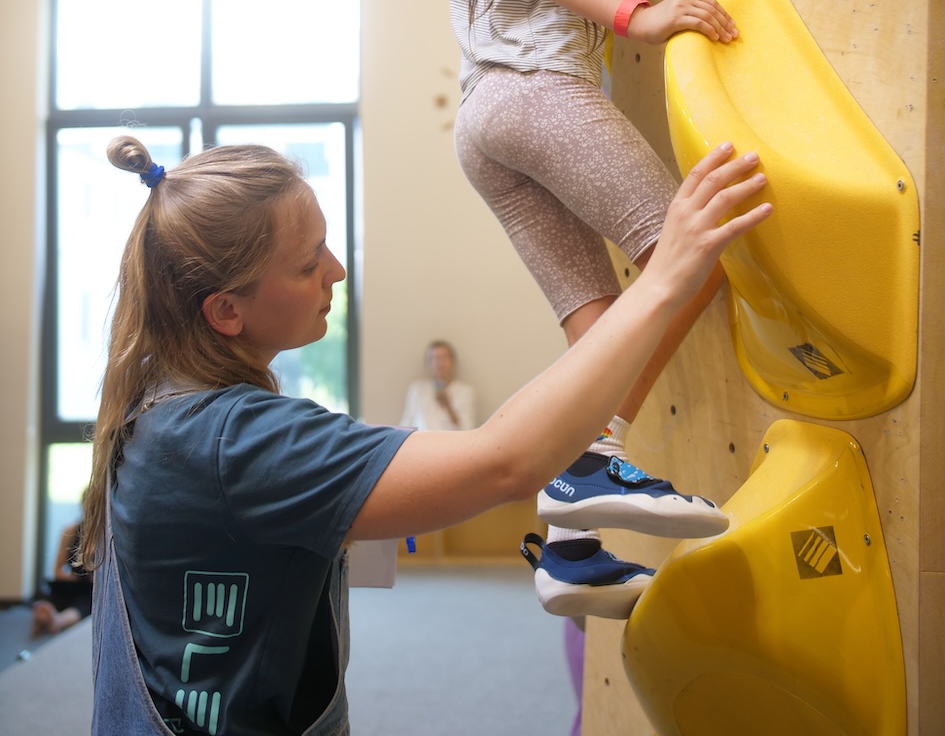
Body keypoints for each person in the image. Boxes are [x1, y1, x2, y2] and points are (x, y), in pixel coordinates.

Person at [82, 133, 769, 736]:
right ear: (226, 310)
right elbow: (505, 462)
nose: (336, 272)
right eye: (307, 263)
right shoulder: (233, 440)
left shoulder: (157, 403)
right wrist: (662, 280)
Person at [435, 0, 741, 615]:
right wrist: (639, 13)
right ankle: (581, 466)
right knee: (688, 262)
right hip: (538, 97)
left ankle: (568, 547)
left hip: (483, 122)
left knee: (596, 327)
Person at [31, 496, 93, 637]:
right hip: (70, 583)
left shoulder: (104, 532)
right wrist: (76, 578)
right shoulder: (71, 530)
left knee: (83, 605)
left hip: (89, 590)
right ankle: (47, 615)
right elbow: (57, 571)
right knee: (62, 599)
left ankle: (55, 620)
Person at [400, 339, 477, 431]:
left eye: (443, 357)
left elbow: (467, 430)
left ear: (453, 361)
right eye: (433, 358)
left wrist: (448, 406)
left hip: (451, 443)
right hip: (420, 442)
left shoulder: (465, 391)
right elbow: (406, 423)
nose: (439, 362)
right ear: (427, 363)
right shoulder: (417, 389)